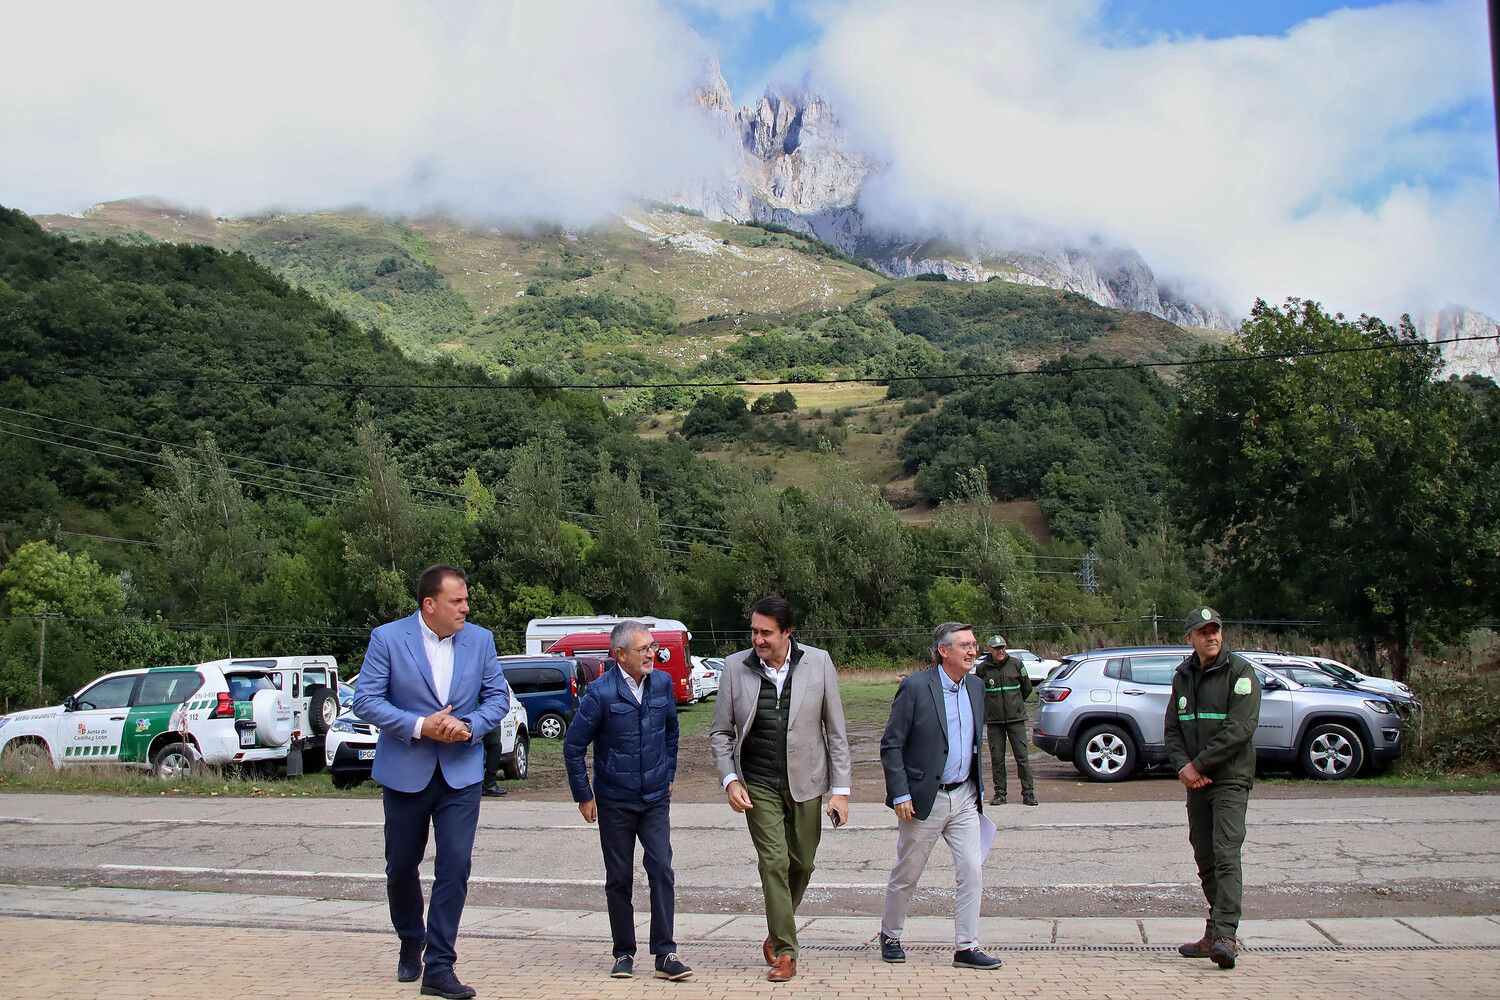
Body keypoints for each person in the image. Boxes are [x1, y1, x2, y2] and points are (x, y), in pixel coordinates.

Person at [352, 565, 510, 1000]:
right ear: (430, 604)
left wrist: (470, 725)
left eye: (466, 600)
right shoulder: (387, 638)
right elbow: (365, 699)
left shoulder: (480, 640)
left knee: (455, 866)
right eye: (456, 601)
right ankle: (410, 938)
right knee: (401, 866)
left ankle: (439, 966)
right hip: (405, 773)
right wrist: (421, 725)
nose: (465, 607)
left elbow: (498, 697)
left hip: (461, 772)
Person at [708, 595, 851, 983]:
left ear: (788, 633)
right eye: (754, 631)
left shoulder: (819, 662)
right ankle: (787, 952)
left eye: (766, 633)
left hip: (808, 782)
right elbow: (721, 732)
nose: (758, 639)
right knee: (774, 862)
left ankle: (775, 930)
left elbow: (836, 732)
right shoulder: (736, 667)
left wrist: (841, 790)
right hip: (758, 783)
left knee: (802, 862)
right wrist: (730, 779)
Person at [563, 621, 693, 982]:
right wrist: (584, 795)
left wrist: (668, 774)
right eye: (644, 649)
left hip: (654, 798)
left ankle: (666, 953)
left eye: (653, 647)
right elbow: (573, 748)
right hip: (614, 801)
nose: (653, 654)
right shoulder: (600, 693)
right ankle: (623, 953)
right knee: (619, 878)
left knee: (662, 868)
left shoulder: (663, 684)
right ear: (620, 654)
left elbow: (671, 731)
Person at [878, 622, 1002, 971]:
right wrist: (900, 792)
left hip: (964, 795)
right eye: (964, 645)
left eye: (974, 645)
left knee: (971, 870)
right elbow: (891, 744)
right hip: (923, 799)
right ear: (943, 651)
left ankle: (967, 946)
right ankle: (890, 934)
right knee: (909, 871)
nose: (972, 651)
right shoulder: (916, 687)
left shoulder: (976, 687)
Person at [1165, 607, 1262, 971]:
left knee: (1225, 854)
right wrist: (1183, 767)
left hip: (1229, 778)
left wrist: (1198, 765)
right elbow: (1173, 729)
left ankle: (1225, 936)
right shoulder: (1183, 676)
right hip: (1196, 780)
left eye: (1216, 631)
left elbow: (1240, 728)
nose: (1212, 637)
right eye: (1203, 632)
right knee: (1204, 856)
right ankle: (1215, 930)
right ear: (1189, 637)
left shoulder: (1240, 673)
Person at [976, 635, 1036, 806]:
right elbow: (979, 694)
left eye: (1002, 647)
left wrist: (1015, 706)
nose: (1000, 651)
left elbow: (1027, 689)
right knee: (997, 758)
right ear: (990, 650)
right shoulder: (982, 669)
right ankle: (1000, 793)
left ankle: (1029, 793)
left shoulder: (1016, 665)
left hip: (1016, 720)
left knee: (1022, 757)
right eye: (996, 648)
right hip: (994, 722)